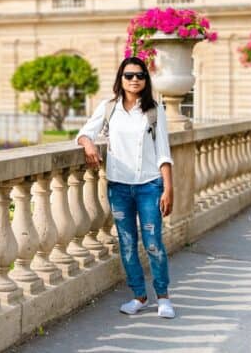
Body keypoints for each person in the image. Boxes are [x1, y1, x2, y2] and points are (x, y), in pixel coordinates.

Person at [76, 56, 176, 320]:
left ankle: (163, 297)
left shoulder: (154, 110)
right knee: (128, 244)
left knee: (153, 243)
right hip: (119, 187)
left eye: (140, 75)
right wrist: (89, 145)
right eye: (129, 75)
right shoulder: (109, 108)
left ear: (146, 80)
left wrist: (168, 188)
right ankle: (139, 296)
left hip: (149, 186)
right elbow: (85, 132)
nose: (135, 80)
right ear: (120, 79)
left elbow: (163, 152)